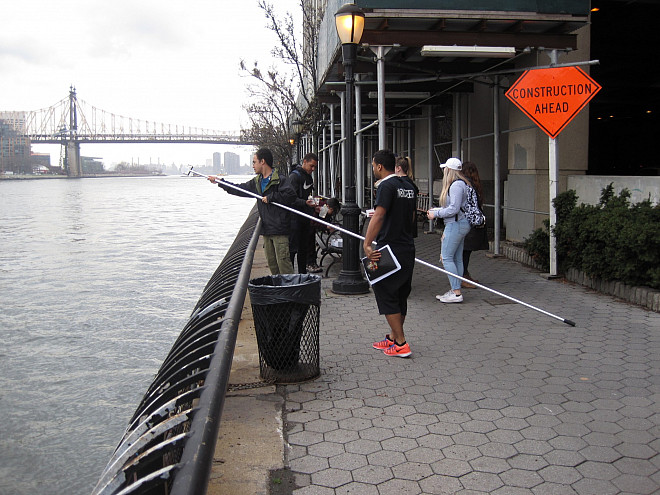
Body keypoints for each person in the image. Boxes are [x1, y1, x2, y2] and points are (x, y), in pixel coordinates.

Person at [363, 149, 417, 358]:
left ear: (379, 166)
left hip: (389, 248)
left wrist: (368, 244)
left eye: (373, 165)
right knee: (400, 293)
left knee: (385, 291)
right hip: (407, 247)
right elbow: (411, 216)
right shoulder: (408, 186)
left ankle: (401, 343)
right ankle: (393, 338)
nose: (373, 169)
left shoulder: (386, 186)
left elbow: (379, 215)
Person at [209, 148, 296, 275]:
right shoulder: (257, 182)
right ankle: (279, 292)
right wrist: (220, 182)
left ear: (262, 162)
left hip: (279, 230)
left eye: (254, 162)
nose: (253, 165)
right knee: (273, 266)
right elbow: (239, 189)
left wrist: (271, 197)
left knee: (284, 266)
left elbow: (291, 195)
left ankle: (291, 292)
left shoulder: (279, 179)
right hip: (267, 231)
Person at [427, 157, 471, 303]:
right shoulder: (460, 184)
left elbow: (453, 209)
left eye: (445, 168)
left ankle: (456, 292)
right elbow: (454, 208)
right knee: (456, 258)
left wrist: (436, 213)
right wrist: (438, 210)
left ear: (449, 170)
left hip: (455, 225)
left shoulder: (456, 186)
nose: (444, 170)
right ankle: (455, 290)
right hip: (459, 224)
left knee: (446, 258)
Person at [289, 153, 318, 274]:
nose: (313, 169)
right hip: (295, 219)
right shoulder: (294, 177)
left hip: (305, 218)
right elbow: (290, 198)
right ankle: (289, 275)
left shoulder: (308, 178)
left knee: (303, 248)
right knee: (292, 249)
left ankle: (302, 273)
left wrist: (313, 207)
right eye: (311, 166)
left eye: (315, 167)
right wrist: (305, 202)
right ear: (304, 161)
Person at [460, 161, 489, 288]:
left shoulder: (464, 185)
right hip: (472, 225)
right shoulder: (474, 186)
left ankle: (463, 275)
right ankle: (463, 276)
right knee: (465, 252)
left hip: (465, 223)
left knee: (463, 252)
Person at [395, 155, 419, 238]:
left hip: (401, 226)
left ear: (398, 168)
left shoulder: (399, 183)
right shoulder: (410, 183)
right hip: (409, 225)